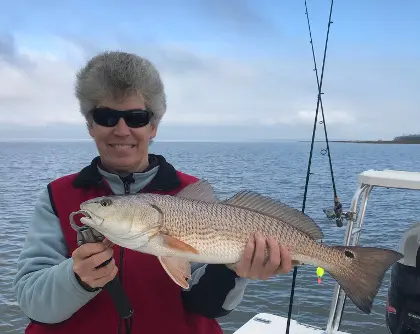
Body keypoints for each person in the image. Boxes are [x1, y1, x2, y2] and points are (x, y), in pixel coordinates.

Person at [13, 51, 292, 334]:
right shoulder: (58, 196)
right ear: (90, 125)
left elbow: (205, 306)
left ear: (153, 126)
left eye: (136, 117)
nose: (121, 130)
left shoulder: (190, 194)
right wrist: (76, 279)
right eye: (106, 116)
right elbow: (31, 301)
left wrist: (233, 271)